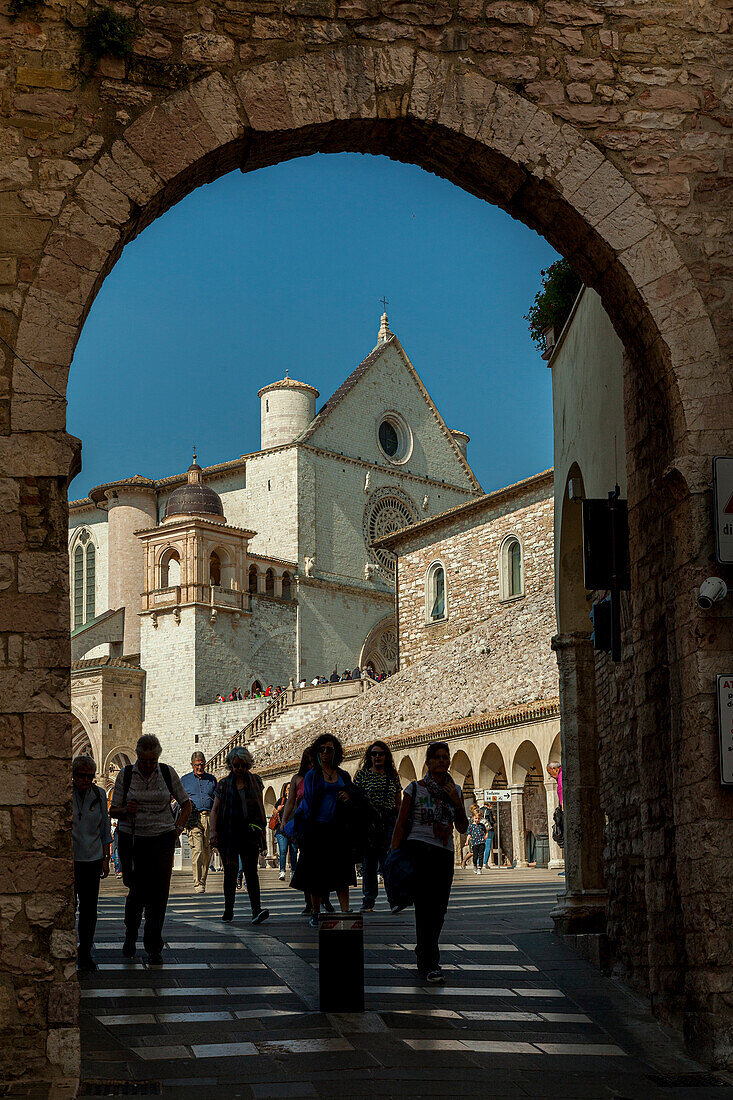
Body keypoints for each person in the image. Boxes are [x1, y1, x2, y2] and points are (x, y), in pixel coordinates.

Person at [390, 741, 468, 984]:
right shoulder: (415, 789)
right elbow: (401, 824)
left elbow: (462, 826)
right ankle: (430, 962)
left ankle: (424, 950)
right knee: (425, 908)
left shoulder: (455, 789)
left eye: (445, 758)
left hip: (444, 853)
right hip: (419, 850)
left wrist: (456, 802)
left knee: (440, 909)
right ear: (428, 762)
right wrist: (393, 856)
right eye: (437, 758)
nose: (442, 761)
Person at [110, 734, 191, 966]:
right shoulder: (125, 775)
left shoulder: (167, 773)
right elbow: (113, 810)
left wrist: (177, 829)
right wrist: (126, 809)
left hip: (162, 840)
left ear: (157, 757)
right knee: (135, 892)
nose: (147, 765)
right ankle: (131, 934)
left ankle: (154, 944)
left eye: (152, 760)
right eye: (144, 760)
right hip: (133, 839)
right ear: (137, 756)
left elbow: (186, 804)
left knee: (159, 895)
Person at [290, 734, 360, 927]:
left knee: (342, 871)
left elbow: (352, 793)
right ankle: (315, 911)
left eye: (329, 749)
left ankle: (345, 910)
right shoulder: (313, 776)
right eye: (322, 749)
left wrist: (347, 795)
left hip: (338, 828)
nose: (325, 753)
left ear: (335, 752)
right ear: (317, 752)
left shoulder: (343, 775)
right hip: (318, 828)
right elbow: (309, 801)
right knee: (317, 873)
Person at [210, 746, 270, 925]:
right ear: (231, 765)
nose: (240, 769)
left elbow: (260, 807)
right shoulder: (223, 784)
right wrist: (213, 832)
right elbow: (215, 809)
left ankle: (256, 910)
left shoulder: (256, 781)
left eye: (243, 765)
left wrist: (262, 830)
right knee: (230, 872)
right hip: (228, 831)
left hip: (249, 832)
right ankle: (228, 909)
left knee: (252, 872)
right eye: (236, 766)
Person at [281, 748, 334, 917]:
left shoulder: (325, 775)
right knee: (307, 864)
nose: (312, 765)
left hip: (324, 823)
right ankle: (309, 902)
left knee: (325, 864)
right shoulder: (297, 779)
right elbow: (290, 802)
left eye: (315, 761)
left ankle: (325, 899)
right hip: (305, 825)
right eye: (309, 762)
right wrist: (284, 821)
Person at [72, 755, 112, 972]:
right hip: (72, 860)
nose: (86, 780)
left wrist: (106, 859)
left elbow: (105, 829)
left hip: (93, 859)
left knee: (89, 909)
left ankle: (85, 951)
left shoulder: (99, 794)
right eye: (81, 776)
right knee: (71, 907)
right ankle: (69, 948)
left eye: (89, 776)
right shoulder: (65, 795)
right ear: (73, 775)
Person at [354, 740, 401, 913]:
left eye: (381, 753)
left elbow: (398, 801)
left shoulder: (392, 775)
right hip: (368, 822)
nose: (377, 757)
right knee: (369, 863)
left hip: (388, 820)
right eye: (374, 754)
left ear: (386, 756)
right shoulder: (363, 775)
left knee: (388, 862)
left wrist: (399, 822)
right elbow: (356, 798)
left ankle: (394, 899)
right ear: (369, 756)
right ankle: (368, 900)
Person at [180, 751, 218, 894]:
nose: (199, 768)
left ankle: (203, 879)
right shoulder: (185, 780)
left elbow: (216, 800)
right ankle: (198, 882)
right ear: (192, 765)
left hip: (209, 816)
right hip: (194, 818)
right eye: (197, 765)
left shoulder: (212, 780)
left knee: (207, 850)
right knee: (197, 850)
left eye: (202, 765)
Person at [273, 785, 297, 881]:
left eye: (292, 788)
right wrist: (277, 810)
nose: (290, 790)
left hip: (294, 830)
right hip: (281, 830)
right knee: (283, 851)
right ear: (285, 791)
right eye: (288, 788)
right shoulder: (281, 801)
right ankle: (282, 871)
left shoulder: (297, 801)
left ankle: (293, 871)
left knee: (294, 851)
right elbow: (274, 813)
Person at [467, 804, 488, 874]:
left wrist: (486, 836)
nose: (477, 820)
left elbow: (486, 831)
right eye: (476, 818)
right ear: (473, 817)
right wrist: (467, 841)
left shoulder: (482, 825)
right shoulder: (471, 826)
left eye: (479, 819)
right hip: (474, 843)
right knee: (475, 855)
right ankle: (475, 865)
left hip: (481, 842)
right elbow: (469, 834)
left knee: (481, 855)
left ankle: (480, 868)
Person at [481, 800, 496, 868]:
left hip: (480, 830)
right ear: (489, 805)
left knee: (480, 846)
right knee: (487, 847)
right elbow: (491, 821)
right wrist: (494, 820)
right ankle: (485, 863)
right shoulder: (489, 811)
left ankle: (479, 863)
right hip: (488, 830)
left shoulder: (479, 810)